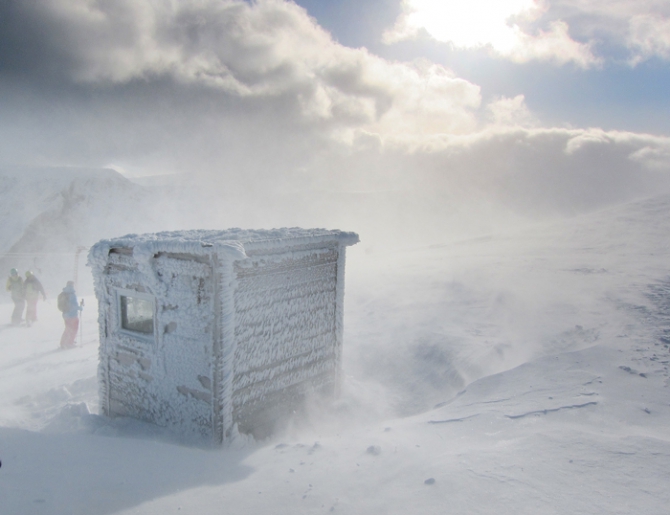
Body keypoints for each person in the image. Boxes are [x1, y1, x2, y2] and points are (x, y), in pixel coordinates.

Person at [59, 281, 82, 349]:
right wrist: (79, 308)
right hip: (72, 315)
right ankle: (70, 343)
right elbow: (73, 305)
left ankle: (63, 342)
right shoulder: (72, 294)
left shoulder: (64, 293)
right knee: (74, 329)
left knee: (68, 328)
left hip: (65, 314)